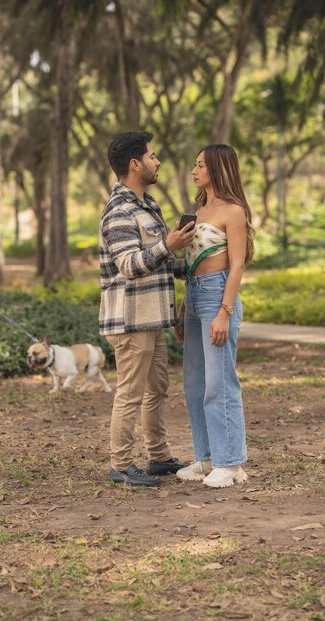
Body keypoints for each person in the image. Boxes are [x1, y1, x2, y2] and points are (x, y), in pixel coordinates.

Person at [99, 131, 196, 487]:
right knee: (130, 391)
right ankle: (121, 465)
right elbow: (129, 265)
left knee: (157, 389)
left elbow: (163, 264)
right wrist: (168, 245)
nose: (158, 162)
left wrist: (198, 264)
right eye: (153, 156)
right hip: (129, 320)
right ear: (135, 164)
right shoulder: (119, 212)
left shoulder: (148, 207)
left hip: (153, 317)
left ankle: (158, 457)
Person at [175, 144, 254, 488]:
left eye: (201, 165)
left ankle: (230, 463)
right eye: (195, 165)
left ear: (219, 169)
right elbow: (190, 263)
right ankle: (206, 458)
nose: (194, 170)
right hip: (194, 296)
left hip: (217, 296)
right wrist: (183, 308)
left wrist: (224, 312)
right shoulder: (199, 210)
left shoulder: (233, 211)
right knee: (193, 383)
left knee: (218, 382)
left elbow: (237, 265)